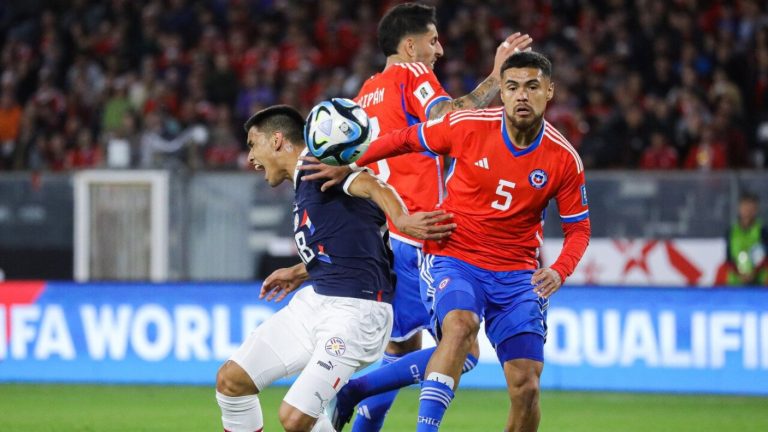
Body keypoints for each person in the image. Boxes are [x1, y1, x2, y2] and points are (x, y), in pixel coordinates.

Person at [300, 4, 531, 430]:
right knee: (463, 350)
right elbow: (447, 117)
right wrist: (497, 78)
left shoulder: (366, 92)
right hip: (424, 233)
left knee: (400, 349)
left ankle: (360, 406)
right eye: (433, 40)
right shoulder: (412, 73)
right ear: (410, 46)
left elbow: (362, 161)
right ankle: (355, 389)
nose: (439, 50)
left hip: (390, 235)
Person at [342, 51, 591, 431]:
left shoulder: (563, 159)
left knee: (526, 386)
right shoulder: (468, 126)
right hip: (456, 256)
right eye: (512, 87)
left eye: (532, 86)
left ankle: (359, 389)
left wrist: (559, 270)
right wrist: (350, 163)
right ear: (502, 93)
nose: (522, 95)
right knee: (460, 327)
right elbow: (406, 139)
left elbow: (579, 229)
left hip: (517, 273)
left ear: (549, 91)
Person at [214, 105, 455, 432]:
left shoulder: (319, 164)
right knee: (232, 381)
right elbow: (346, 242)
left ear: (277, 140)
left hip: (357, 311)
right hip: (318, 299)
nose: (250, 158)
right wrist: (299, 271)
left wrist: (401, 219)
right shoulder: (304, 183)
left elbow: (371, 184)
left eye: (253, 145)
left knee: (296, 417)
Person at [724, 193, 768, 286]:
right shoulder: (732, 231)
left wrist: (753, 274)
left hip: (759, 284)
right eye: (745, 208)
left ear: (756, 210)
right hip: (735, 284)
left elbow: (765, 257)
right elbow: (729, 259)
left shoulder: (763, 231)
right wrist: (741, 275)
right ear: (739, 208)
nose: (747, 212)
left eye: (751, 209)